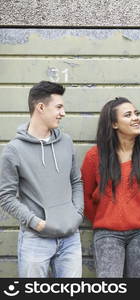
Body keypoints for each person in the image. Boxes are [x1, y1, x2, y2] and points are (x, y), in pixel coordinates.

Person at [0, 81, 83, 277]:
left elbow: (76, 181)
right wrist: (36, 223)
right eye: (59, 107)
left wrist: (78, 214)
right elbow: (6, 196)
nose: (63, 113)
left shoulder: (66, 142)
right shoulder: (14, 150)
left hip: (70, 237)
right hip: (35, 239)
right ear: (41, 107)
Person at [81, 97, 140, 278]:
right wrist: (106, 216)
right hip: (107, 235)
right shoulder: (94, 157)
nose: (136, 118)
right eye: (128, 115)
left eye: (136, 113)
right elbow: (85, 198)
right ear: (114, 123)